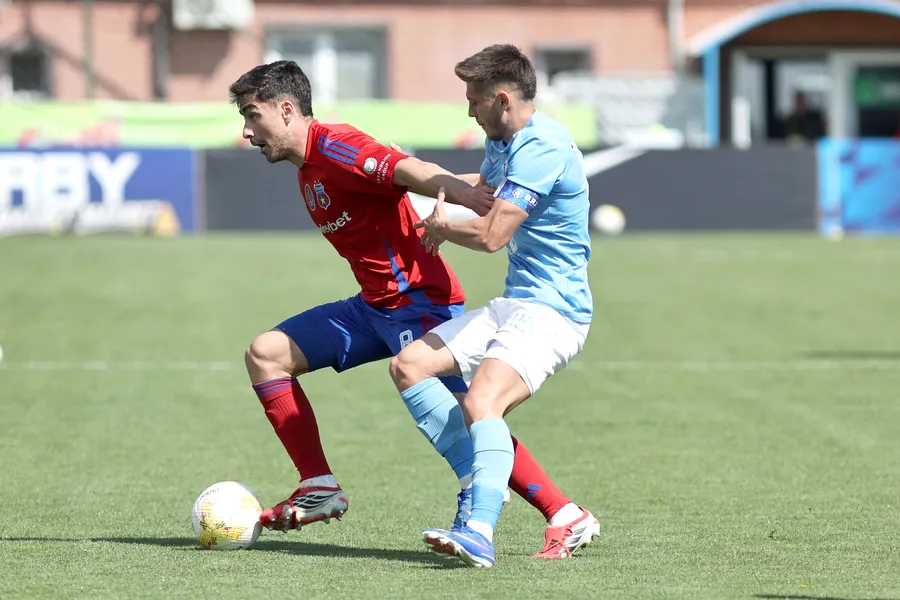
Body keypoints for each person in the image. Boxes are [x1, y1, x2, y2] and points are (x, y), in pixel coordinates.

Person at [228, 60, 599, 557]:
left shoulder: (336, 146)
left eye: (252, 116)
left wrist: (463, 197)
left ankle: (536, 508)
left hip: (420, 300)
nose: (247, 132)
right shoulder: (309, 167)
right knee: (266, 354)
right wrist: (472, 188)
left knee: (476, 412)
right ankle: (318, 485)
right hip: (372, 308)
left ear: (287, 109)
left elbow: (408, 169)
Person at [388, 44, 596, 568]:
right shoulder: (504, 140)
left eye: (474, 100)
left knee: (482, 402)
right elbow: (481, 192)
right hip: (518, 302)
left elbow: (490, 234)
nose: (468, 111)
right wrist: (406, 183)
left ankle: (478, 528)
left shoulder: (541, 147)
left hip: (554, 312)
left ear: (502, 99)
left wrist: (440, 226)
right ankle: (491, 480)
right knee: (410, 365)